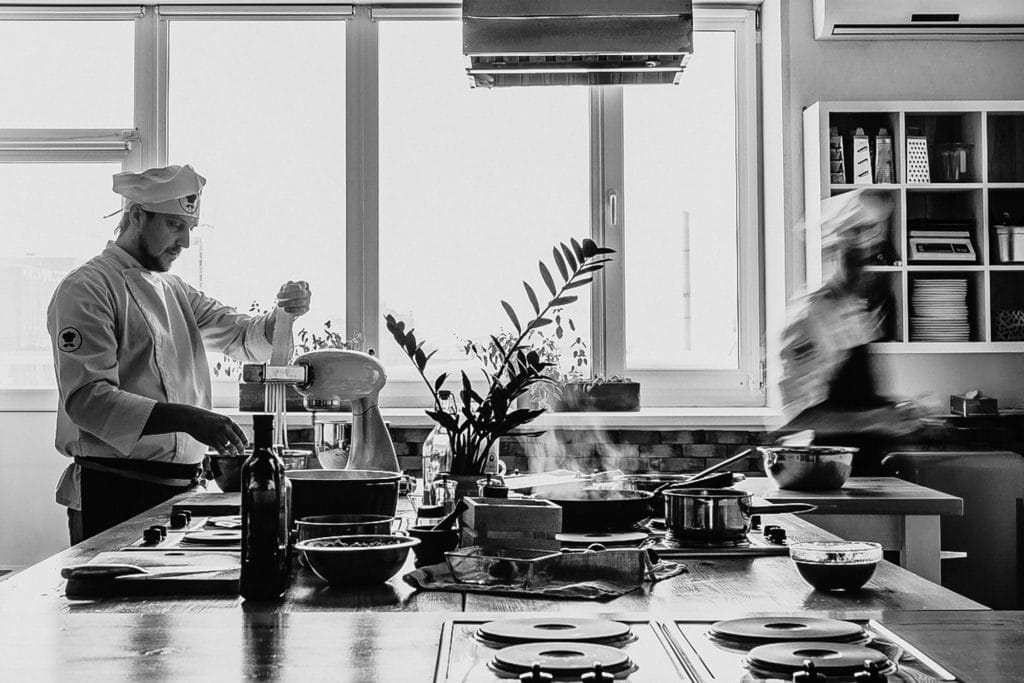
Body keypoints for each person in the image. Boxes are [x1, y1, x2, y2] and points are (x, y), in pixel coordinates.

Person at [47, 164, 311, 544]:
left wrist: (284, 312)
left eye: (189, 229)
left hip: (180, 493)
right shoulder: (87, 288)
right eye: (174, 225)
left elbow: (244, 337)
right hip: (113, 488)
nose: (185, 242)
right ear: (137, 216)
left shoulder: (175, 291)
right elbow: (89, 400)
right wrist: (189, 418)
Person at [778, 189, 920, 474]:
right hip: (825, 475)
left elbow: (857, 397)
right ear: (833, 253)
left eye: (873, 255)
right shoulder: (808, 321)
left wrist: (896, 411)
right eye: (857, 258)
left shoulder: (856, 314)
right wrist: (877, 418)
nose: (868, 269)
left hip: (862, 470)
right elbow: (800, 418)